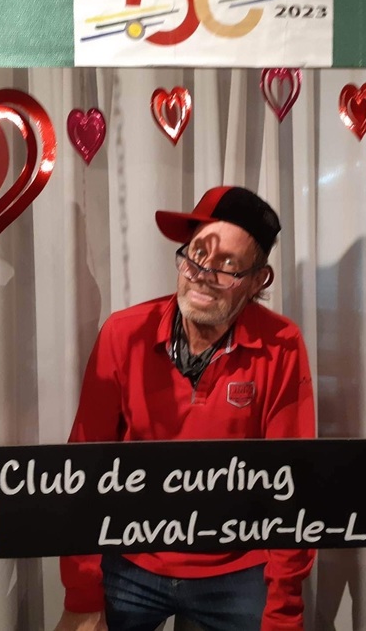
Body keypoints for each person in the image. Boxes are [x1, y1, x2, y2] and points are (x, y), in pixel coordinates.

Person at [55, 186, 315, 631]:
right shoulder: (124, 333)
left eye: (227, 265)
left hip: (238, 566)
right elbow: (84, 464)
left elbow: (293, 483)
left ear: (259, 281)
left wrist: (283, 610)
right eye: (196, 255)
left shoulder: (282, 345)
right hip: (131, 558)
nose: (202, 275)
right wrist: (82, 592)